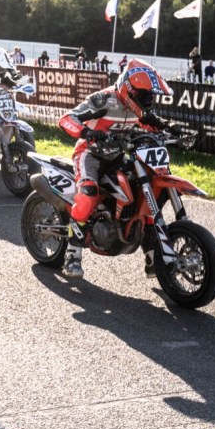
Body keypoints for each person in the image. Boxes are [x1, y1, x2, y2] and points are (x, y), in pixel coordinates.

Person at [57, 58, 175, 279]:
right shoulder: (104, 100)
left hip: (117, 157)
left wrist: (168, 127)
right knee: (88, 192)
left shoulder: (135, 108)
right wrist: (87, 132)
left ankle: (153, 259)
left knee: (144, 195)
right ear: (130, 90)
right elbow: (66, 119)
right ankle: (72, 255)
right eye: (145, 96)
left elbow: (147, 120)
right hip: (90, 155)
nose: (148, 101)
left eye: (151, 96)